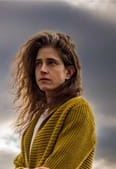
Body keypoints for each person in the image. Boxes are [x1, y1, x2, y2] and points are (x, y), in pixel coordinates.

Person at [10, 30, 96, 169]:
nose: (43, 69)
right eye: (38, 63)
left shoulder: (78, 109)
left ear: (68, 72)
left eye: (51, 63)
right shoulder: (38, 117)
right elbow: (18, 164)